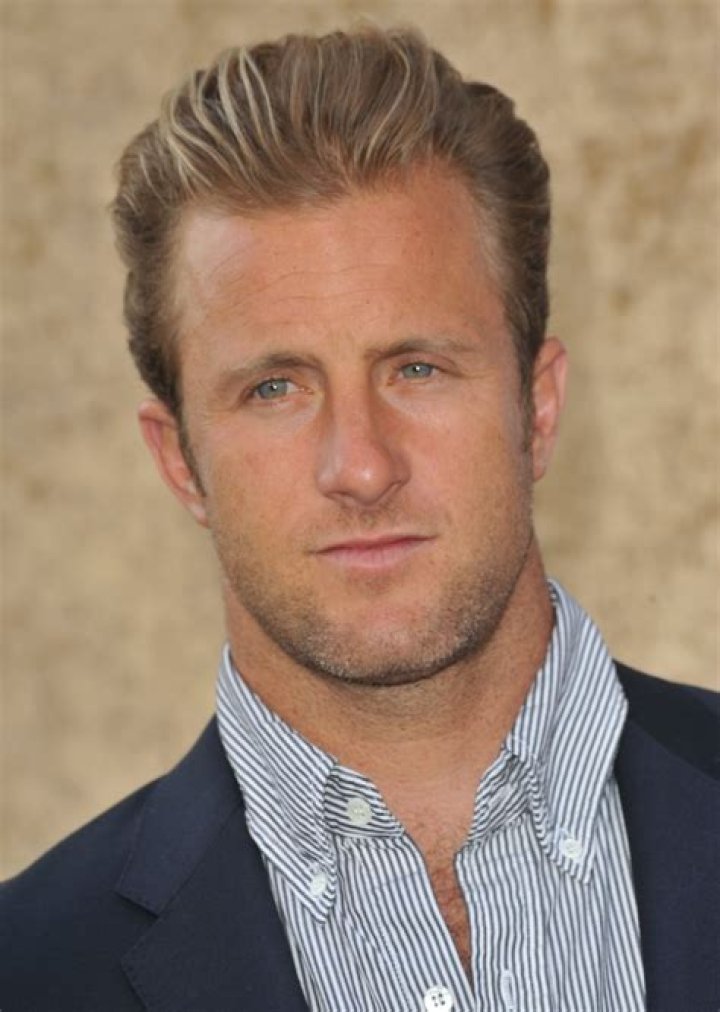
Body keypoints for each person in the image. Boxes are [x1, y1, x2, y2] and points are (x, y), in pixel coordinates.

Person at [1, 24, 717, 1012]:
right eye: (274, 389)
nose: (362, 467)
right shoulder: (29, 971)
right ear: (180, 462)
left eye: (417, 368)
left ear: (538, 409)